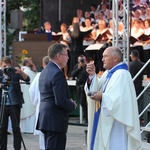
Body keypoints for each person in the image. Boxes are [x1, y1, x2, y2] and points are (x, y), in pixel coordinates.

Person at [85, 46, 141, 150]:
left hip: (117, 123)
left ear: (115, 58)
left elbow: (121, 101)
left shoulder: (122, 74)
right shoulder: (108, 73)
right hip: (105, 120)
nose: (102, 59)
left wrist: (102, 96)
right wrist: (92, 76)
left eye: (105, 56)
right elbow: (97, 88)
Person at [36, 43, 77, 150]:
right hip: (55, 119)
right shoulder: (57, 73)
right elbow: (60, 100)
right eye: (66, 54)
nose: (68, 57)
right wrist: (72, 104)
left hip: (47, 117)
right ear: (59, 56)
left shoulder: (45, 71)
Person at [0, 56, 30, 150]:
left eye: (8, 67)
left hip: (15, 104)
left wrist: (21, 72)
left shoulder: (14, 72)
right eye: (4, 66)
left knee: (16, 128)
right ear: (1, 65)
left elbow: (27, 79)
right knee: (2, 128)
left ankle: (17, 148)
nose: (6, 69)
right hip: (2, 104)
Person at [29, 56, 49, 150]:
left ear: (43, 64)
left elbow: (32, 91)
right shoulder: (56, 73)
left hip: (41, 105)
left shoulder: (39, 75)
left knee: (43, 138)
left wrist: (35, 102)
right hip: (50, 108)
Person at [20, 58, 37, 133]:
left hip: (23, 97)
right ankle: (30, 129)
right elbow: (37, 82)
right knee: (30, 110)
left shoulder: (21, 71)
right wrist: (35, 71)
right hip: (29, 97)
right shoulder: (29, 72)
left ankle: (24, 129)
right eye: (31, 61)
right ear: (27, 63)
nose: (32, 62)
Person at [71, 55, 89, 123]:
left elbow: (87, 75)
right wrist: (78, 68)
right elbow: (72, 74)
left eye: (82, 60)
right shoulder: (77, 66)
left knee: (83, 103)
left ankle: (87, 119)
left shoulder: (86, 67)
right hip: (78, 86)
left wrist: (84, 67)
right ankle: (85, 118)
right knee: (81, 103)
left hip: (84, 87)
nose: (81, 62)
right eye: (80, 61)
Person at [129, 50, 145, 114]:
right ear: (138, 56)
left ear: (132, 56)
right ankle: (140, 117)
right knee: (140, 103)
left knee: (132, 102)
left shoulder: (129, 65)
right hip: (141, 86)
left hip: (132, 86)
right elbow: (146, 76)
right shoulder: (143, 64)